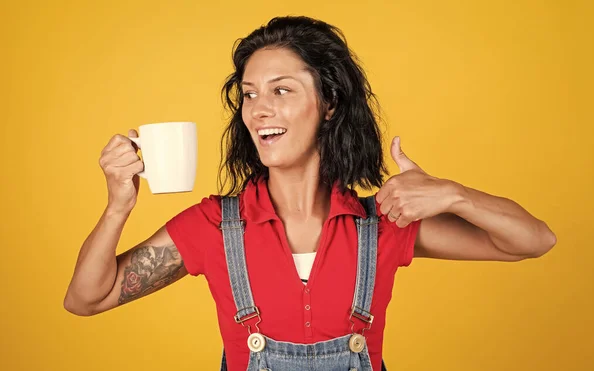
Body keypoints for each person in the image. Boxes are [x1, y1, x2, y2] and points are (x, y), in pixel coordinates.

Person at [63, 16, 557, 371]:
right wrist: (118, 205)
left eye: (281, 91)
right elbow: (86, 299)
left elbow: (533, 240)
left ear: (329, 103)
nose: (257, 110)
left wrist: (453, 194)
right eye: (250, 94)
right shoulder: (214, 226)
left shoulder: (383, 223)